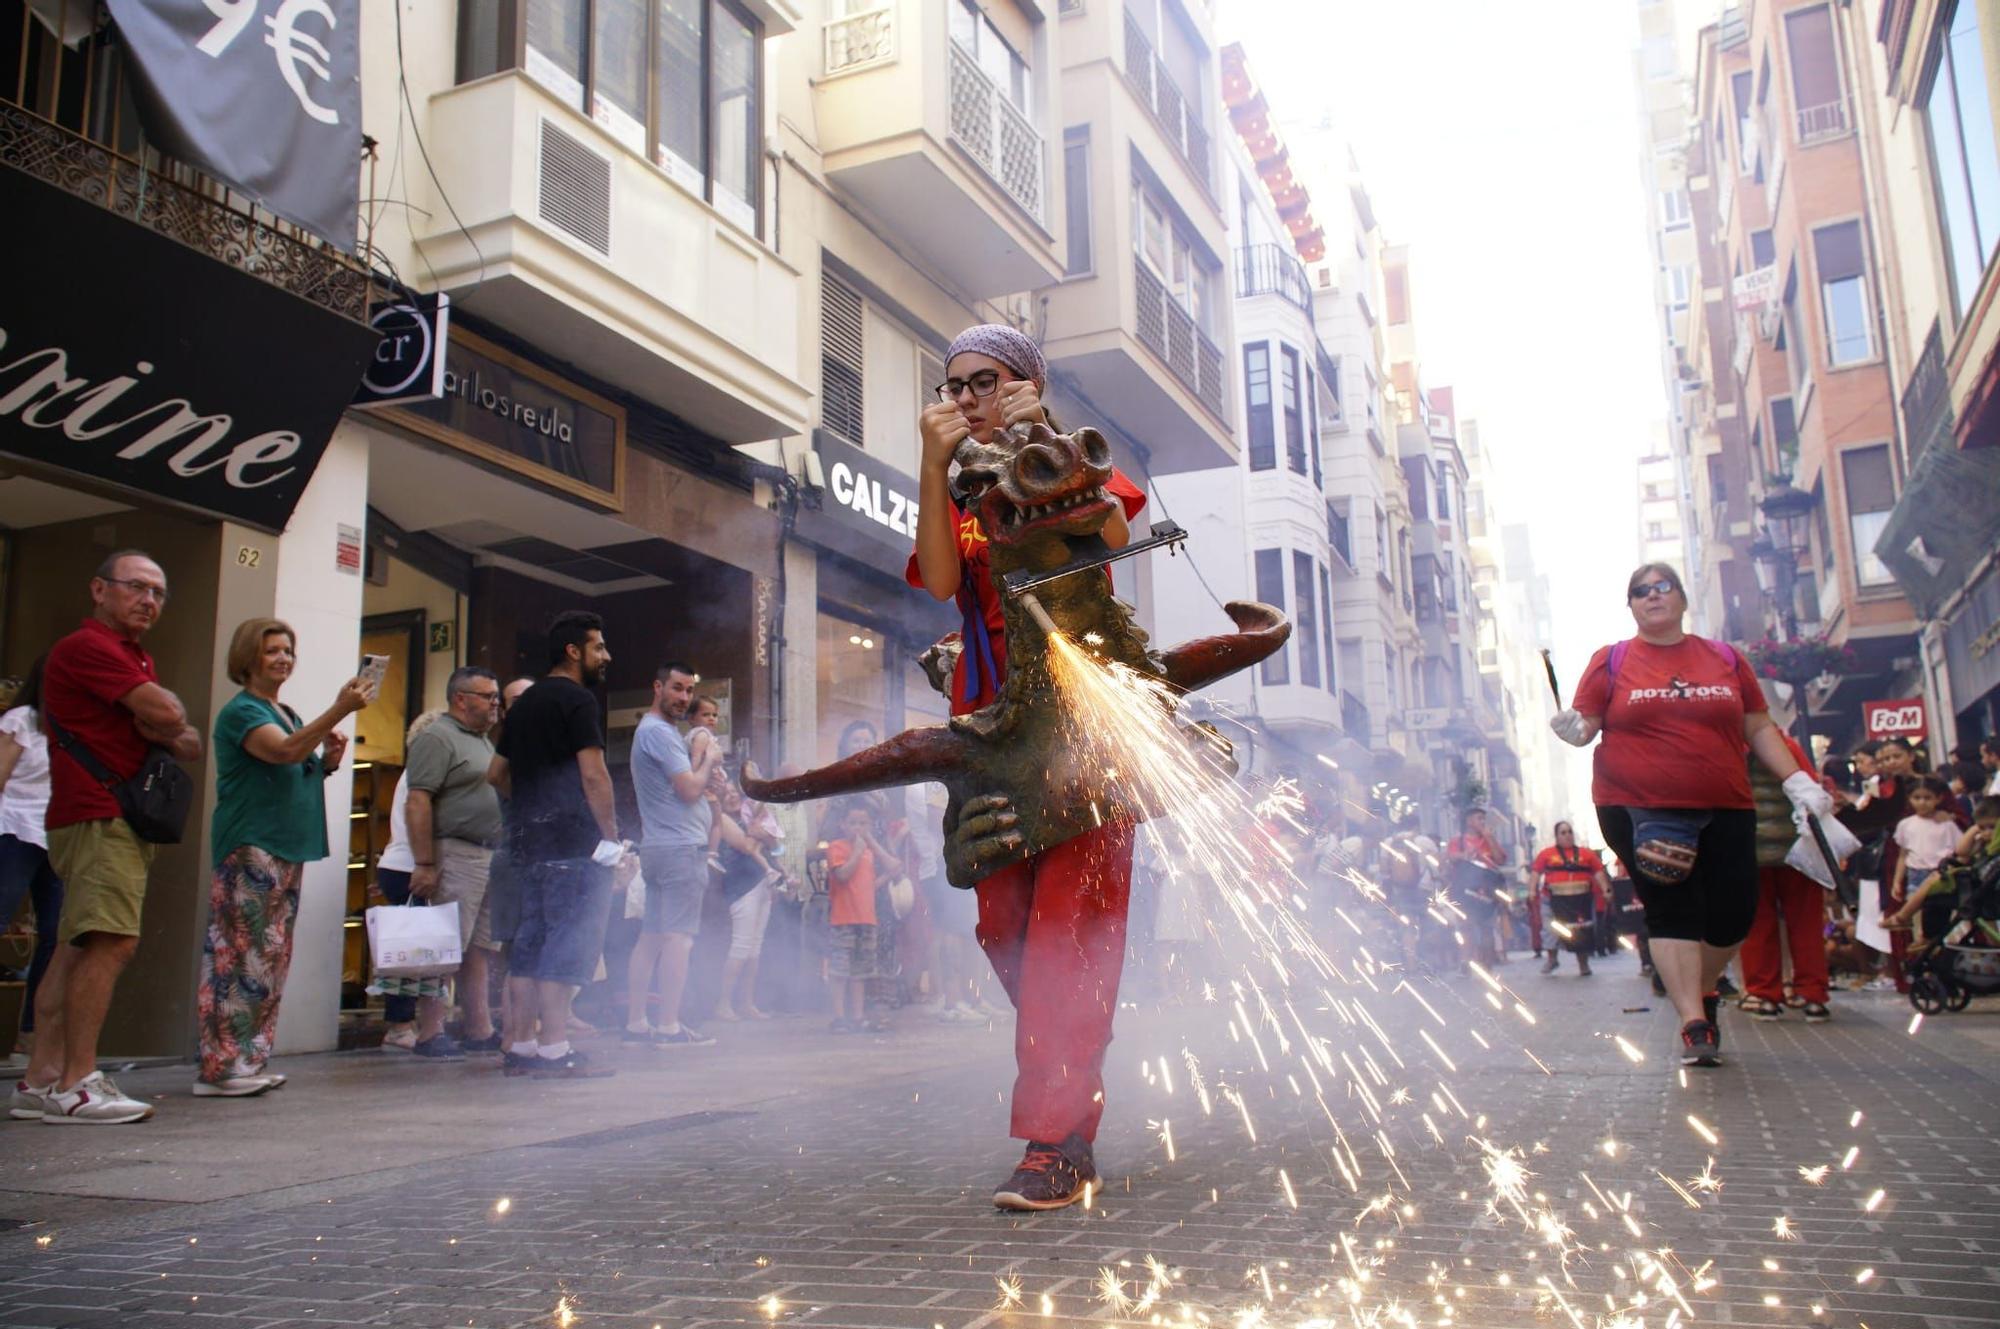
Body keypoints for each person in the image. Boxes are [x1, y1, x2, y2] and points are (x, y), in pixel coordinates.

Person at [908, 323, 1149, 1210]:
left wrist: (1044, 437)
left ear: (1028, 384)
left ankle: (1054, 1144)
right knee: (1005, 929)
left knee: (1066, 936)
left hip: (1084, 726)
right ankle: (1069, 1076)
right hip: (988, 729)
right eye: (955, 383)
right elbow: (939, 580)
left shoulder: (1069, 458)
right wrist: (932, 469)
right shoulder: (962, 488)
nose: (969, 396)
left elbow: (1115, 536)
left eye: (988, 380)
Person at [1550, 562, 1832, 1068]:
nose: (1652, 596)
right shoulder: (1611, 660)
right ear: (1631, 605)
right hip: (1638, 805)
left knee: (1734, 913)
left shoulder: (1725, 658)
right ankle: (1692, 1022)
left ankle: (1700, 991)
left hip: (1726, 802)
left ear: (1681, 598)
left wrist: (1797, 781)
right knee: (1671, 906)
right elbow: (1586, 725)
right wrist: (1572, 728)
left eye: (1663, 588)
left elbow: (1759, 726)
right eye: (1640, 591)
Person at [22, 552, 202, 1124]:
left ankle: (40, 1078)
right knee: (110, 941)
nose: (149, 600)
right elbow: (169, 714)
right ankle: (78, 1083)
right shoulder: (88, 648)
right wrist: (157, 718)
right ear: (99, 589)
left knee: (77, 943)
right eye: (136, 587)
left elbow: (188, 739)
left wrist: (161, 720)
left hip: (101, 815)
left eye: (159, 592)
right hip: (98, 815)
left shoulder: (133, 656)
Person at [196, 620, 371, 1096]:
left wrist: (330, 759)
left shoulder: (285, 711)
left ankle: (249, 1059)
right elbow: (284, 752)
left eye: (288, 650)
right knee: (240, 955)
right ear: (247, 657)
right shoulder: (243, 712)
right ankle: (220, 1067)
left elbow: (300, 764)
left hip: (286, 846)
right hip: (252, 843)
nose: (283, 658)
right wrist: (338, 710)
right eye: (272, 650)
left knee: (271, 956)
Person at [489, 611, 621, 1079]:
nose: (605, 656)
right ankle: (554, 1048)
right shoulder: (578, 701)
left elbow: (496, 775)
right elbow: (593, 774)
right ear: (574, 651)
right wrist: (611, 837)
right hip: (571, 846)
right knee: (565, 946)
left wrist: (529, 806)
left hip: (526, 844)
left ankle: (521, 1048)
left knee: (528, 944)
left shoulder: (522, 704)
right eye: (598, 647)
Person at [398, 667, 504, 1058]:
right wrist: (425, 861)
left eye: (496, 696)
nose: (496, 703)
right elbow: (418, 799)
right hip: (455, 851)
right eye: (488, 696)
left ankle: (478, 1027)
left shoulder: (481, 741)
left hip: (486, 852)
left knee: (478, 947)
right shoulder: (437, 737)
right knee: (443, 947)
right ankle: (430, 1030)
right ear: (461, 698)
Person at [627, 662, 720, 1047]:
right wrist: (709, 760)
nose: (683, 698)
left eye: (687, 691)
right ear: (657, 687)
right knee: (679, 938)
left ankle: (636, 1024)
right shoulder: (660, 734)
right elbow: (688, 789)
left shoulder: (653, 733)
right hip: (679, 848)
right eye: (677, 689)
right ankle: (668, 1025)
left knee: (652, 937)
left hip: (659, 846)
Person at [1738, 730, 1832, 1022]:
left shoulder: (1733, 749)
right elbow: (1813, 792)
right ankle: (1813, 995)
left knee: (1757, 926)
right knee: (1806, 925)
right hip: (1799, 848)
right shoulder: (1790, 746)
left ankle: (1765, 995)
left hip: (1750, 850)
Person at [371, 709, 444, 1052]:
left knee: (411, 949)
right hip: (410, 866)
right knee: (411, 950)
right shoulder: (423, 770)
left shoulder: (412, 770)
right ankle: (400, 1024)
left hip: (400, 864)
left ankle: (403, 1023)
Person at [0, 657, 59, 1064]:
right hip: (14, 826)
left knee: (56, 934)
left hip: (55, 834)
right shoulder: (23, 718)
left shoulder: (73, 727)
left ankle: (29, 1035)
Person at [711, 782, 782, 1021]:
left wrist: (770, 840)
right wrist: (759, 832)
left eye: (735, 793)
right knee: (741, 947)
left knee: (755, 948)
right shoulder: (721, 819)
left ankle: (746, 1003)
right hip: (741, 887)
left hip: (762, 884)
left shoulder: (750, 816)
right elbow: (747, 845)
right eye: (726, 793)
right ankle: (723, 1004)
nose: (732, 796)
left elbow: (777, 848)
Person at [1888, 794, 2000, 936]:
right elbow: (1961, 851)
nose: (1987, 832)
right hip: (1981, 890)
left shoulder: (1995, 849)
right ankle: (1919, 929)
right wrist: (1974, 830)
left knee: (1934, 883)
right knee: (1936, 884)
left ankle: (1903, 917)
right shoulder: (1985, 844)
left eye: (1992, 827)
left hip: (1983, 889)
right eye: (1982, 828)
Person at [823, 799, 886, 1033]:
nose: (857, 828)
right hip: (843, 919)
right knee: (840, 971)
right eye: (853, 823)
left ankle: (858, 1017)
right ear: (843, 825)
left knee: (860, 972)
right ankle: (839, 1017)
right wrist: (858, 851)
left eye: (863, 823)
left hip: (866, 919)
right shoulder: (836, 847)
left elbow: (890, 868)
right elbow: (842, 875)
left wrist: (871, 846)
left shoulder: (870, 851)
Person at [1889, 776, 1966, 934]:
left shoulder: (1947, 824)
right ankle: (1922, 951)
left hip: (1941, 875)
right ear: (1909, 799)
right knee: (1918, 922)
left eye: (1927, 798)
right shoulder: (1906, 825)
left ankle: (1942, 952)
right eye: (1917, 798)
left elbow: (1959, 851)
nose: (1922, 802)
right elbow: (1903, 854)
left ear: (1938, 799)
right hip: (1915, 875)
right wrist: (1897, 881)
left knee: (1945, 920)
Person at [1529, 822, 1606, 976]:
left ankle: (1583, 964)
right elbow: (1536, 873)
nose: (1567, 835)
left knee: (1581, 930)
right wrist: (1532, 890)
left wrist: (1606, 889)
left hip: (1580, 900)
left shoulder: (1587, 854)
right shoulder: (1546, 854)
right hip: (1552, 899)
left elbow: (1599, 872)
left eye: (1569, 831)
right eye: (1563, 832)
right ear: (1556, 836)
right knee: (1550, 930)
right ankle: (1552, 959)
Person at [1445, 807, 1508, 968]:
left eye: (1483, 819)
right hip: (1465, 890)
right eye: (1479, 818)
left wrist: (1490, 838)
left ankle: (1487, 964)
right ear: (1469, 821)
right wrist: (1464, 855)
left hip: (1486, 888)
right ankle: (1466, 962)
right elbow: (1451, 857)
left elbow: (1500, 860)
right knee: (1466, 927)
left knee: (1487, 926)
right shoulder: (1457, 841)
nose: (1482, 822)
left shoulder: (1489, 839)